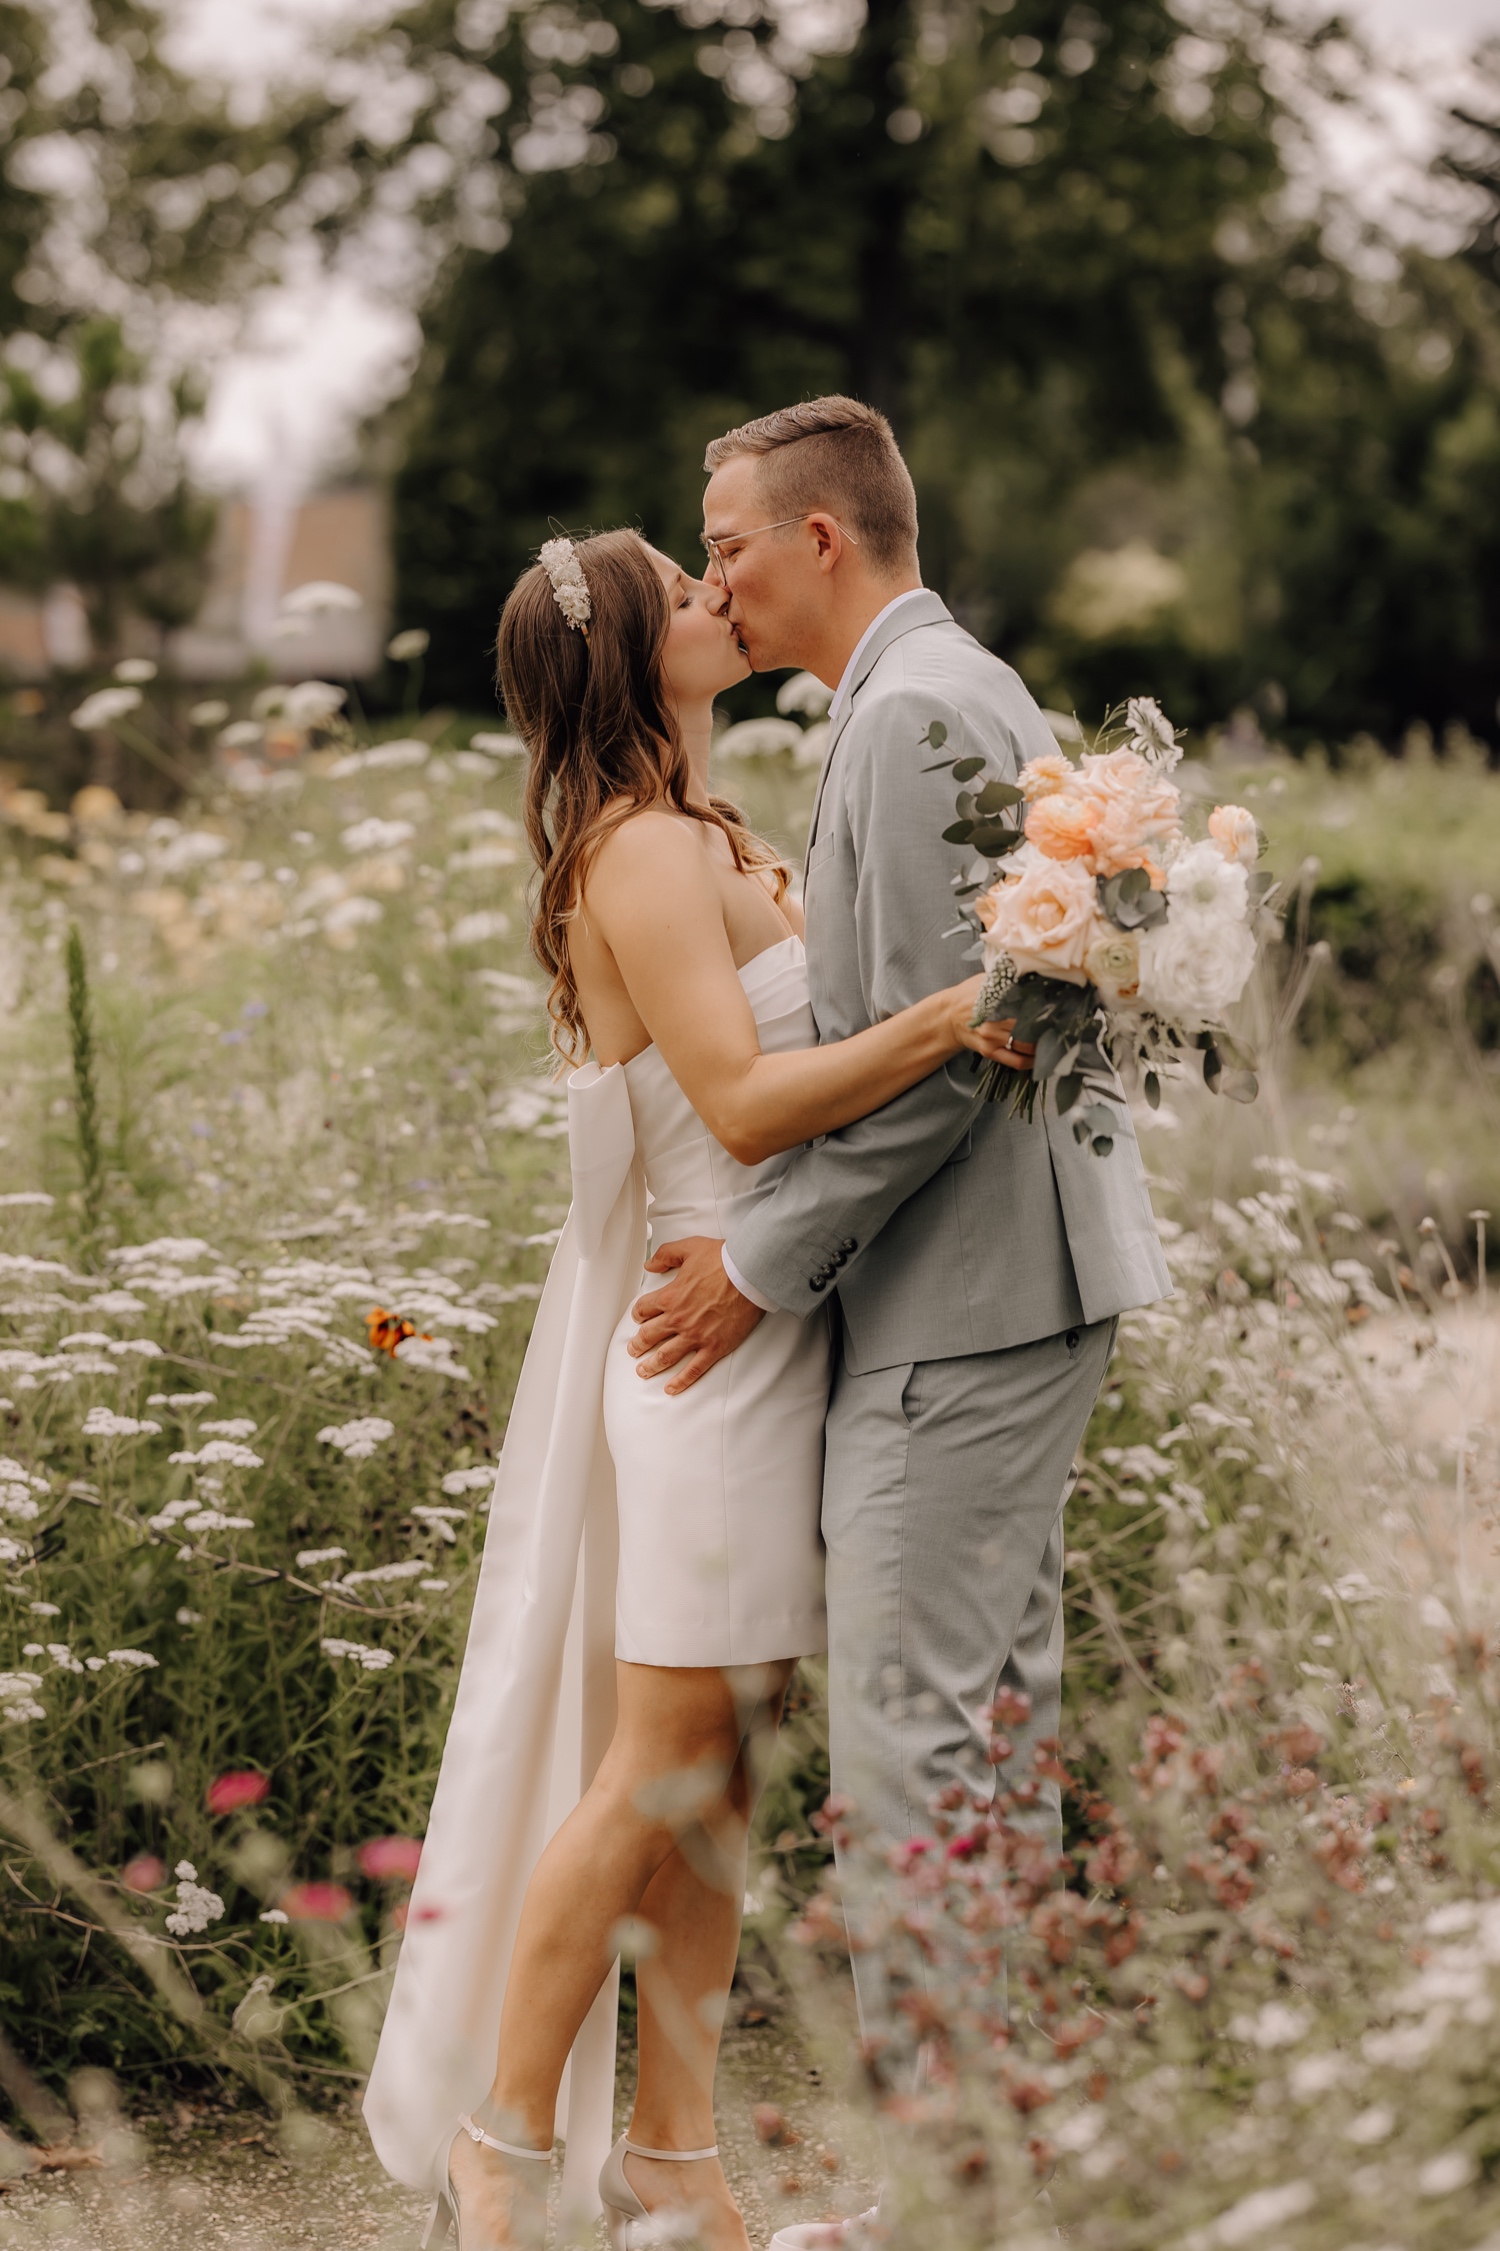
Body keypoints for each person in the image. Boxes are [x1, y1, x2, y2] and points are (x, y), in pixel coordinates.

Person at [362, 524, 1030, 2251]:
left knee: (721, 1768)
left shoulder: (705, 828)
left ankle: (673, 2163)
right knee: (662, 1760)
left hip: (772, 1329)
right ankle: (502, 2145)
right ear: (628, 650)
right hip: (708, 1349)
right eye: (681, 576)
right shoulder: (643, 853)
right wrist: (966, 1010)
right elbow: (738, 1107)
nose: (714, 588)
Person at [625, 399, 1171, 2241]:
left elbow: (964, 1059)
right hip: (1009, 1284)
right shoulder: (953, 689)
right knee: (992, 1729)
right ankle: (1004, 2171)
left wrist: (759, 1263)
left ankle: (946, 2202)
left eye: (729, 538)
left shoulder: (920, 711)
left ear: (825, 539)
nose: (714, 571)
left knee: (920, 1744)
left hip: (973, 1298)